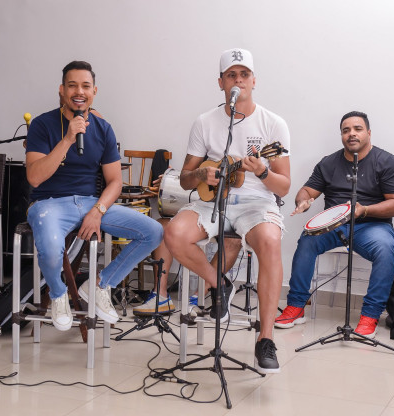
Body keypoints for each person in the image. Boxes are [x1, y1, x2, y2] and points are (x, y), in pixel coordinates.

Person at [164, 48, 291, 374]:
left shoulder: (273, 124)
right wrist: (200, 174)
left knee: (270, 241)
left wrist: (262, 171)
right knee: (174, 233)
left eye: (244, 74)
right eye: (231, 75)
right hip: (211, 202)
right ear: (221, 82)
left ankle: (266, 339)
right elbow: (184, 178)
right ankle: (218, 283)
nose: (238, 80)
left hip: (255, 203)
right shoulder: (205, 122)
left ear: (254, 80)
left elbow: (283, 187)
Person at [25, 60, 163, 331]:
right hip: (48, 204)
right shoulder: (42, 124)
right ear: (62, 90)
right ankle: (58, 294)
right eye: (72, 85)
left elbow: (115, 182)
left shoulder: (103, 128)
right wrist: (67, 139)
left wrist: (98, 211)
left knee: (153, 232)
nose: (79, 91)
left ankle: (101, 284)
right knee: (51, 247)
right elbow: (34, 177)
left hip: (90, 203)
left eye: (85, 86)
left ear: (94, 91)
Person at [276, 111, 394, 338]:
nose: (351, 134)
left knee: (386, 249)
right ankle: (296, 306)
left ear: (368, 133)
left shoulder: (387, 161)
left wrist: (365, 210)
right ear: (341, 135)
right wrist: (303, 201)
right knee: (307, 240)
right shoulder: (328, 163)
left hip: (372, 225)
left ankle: (370, 315)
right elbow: (307, 190)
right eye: (346, 130)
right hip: (334, 225)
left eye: (357, 129)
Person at [133, 214, 242, 316]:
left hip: (231, 214)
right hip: (202, 211)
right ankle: (160, 296)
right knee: (162, 226)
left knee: (233, 239)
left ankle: (198, 298)